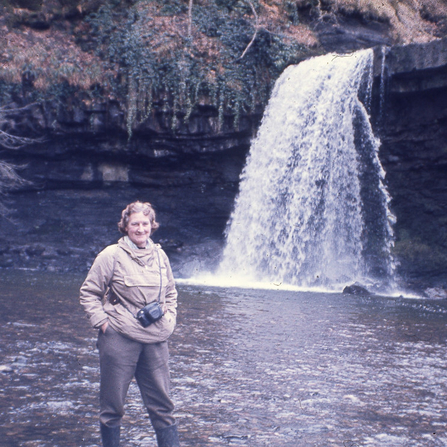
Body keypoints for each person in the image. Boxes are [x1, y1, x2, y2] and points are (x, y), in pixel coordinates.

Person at [80, 201, 180, 447]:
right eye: (135, 223)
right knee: (112, 407)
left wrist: (170, 319)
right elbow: (89, 293)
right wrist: (103, 324)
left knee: (164, 407)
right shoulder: (110, 255)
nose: (140, 229)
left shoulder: (160, 255)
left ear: (152, 226)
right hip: (119, 339)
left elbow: (171, 292)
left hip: (156, 341)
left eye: (145, 223)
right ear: (125, 226)